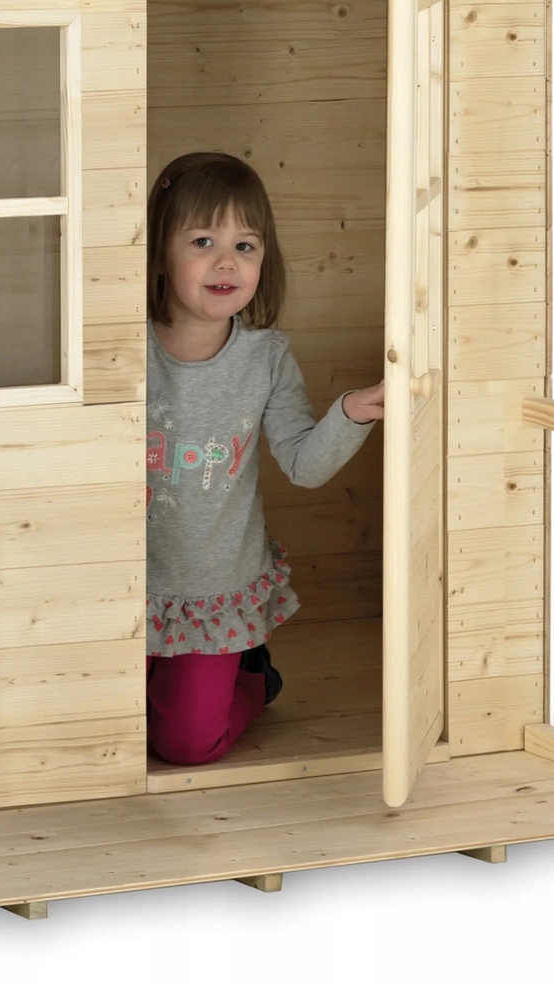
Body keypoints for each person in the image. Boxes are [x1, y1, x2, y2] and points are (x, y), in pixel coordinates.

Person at [144, 150, 384, 767]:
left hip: (210, 591)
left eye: (245, 246)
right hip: (122, 583)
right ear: (159, 253)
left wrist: (352, 412)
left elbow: (304, 463)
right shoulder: (125, 345)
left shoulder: (266, 358)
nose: (226, 261)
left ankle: (253, 675)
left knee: (186, 744)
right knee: (104, 724)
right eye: (203, 241)